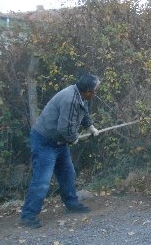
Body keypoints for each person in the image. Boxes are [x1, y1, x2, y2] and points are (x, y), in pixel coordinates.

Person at [19, 74, 101, 228]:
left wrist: (90, 126)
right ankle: (28, 215)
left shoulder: (81, 95)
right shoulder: (69, 99)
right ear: (88, 90)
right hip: (45, 141)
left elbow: (83, 112)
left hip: (59, 141)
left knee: (68, 173)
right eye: (95, 90)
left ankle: (72, 204)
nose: (96, 93)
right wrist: (73, 138)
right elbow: (64, 128)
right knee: (42, 181)